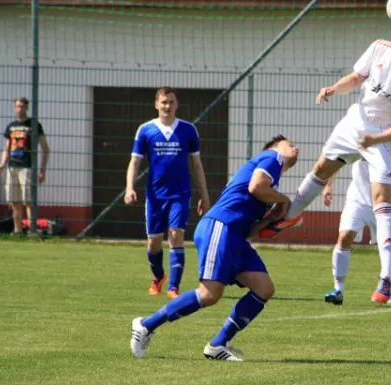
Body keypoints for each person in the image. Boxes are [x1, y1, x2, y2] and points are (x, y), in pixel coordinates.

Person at [260, 19, 391, 298]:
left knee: (383, 200)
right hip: (354, 123)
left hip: (383, 137)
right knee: (320, 170)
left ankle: (386, 279)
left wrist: (374, 140)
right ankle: (289, 217)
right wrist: (333, 88)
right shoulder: (379, 48)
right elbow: (355, 79)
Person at [130, 135, 299, 361]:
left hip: (235, 235)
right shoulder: (272, 157)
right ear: (275, 147)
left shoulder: (270, 178)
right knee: (209, 294)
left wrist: (272, 221)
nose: (295, 147)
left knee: (264, 288)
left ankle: (218, 345)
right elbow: (256, 185)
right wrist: (284, 201)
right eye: (289, 144)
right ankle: (145, 325)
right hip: (221, 227)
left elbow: (250, 227)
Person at [124, 87, 210, 299]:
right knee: (154, 242)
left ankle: (173, 286)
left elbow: (197, 164)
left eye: (171, 102)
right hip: (155, 196)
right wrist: (129, 187)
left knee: (176, 235)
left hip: (180, 194)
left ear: (177, 104)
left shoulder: (188, 130)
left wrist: (205, 196)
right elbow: (135, 161)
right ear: (156, 104)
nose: (167, 106)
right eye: (164, 102)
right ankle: (158, 276)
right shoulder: (145, 130)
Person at [322, 138, 391, 306]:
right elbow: (338, 159)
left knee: (390, 247)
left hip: (385, 200)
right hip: (357, 200)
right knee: (344, 237)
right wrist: (328, 185)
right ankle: (338, 290)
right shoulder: (358, 136)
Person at [0, 97, 50, 235]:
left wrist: (43, 170)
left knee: (28, 200)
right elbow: (6, 149)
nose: (20, 109)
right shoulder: (11, 126)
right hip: (12, 166)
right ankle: (17, 230)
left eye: (22, 106)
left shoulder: (34, 124)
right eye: (17, 106)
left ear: (27, 108)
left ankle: (32, 230)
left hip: (27, 167)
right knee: (14, 201)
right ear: (14, 108)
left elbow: (45, 148)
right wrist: (2, 164)